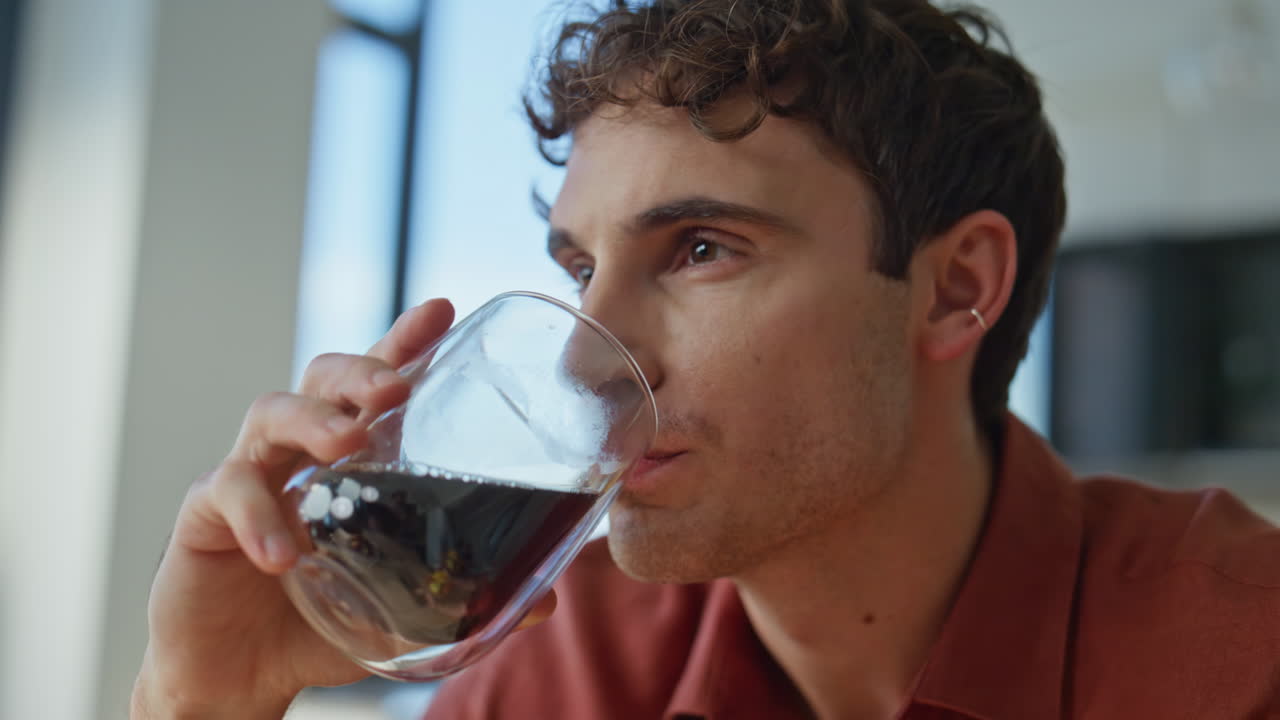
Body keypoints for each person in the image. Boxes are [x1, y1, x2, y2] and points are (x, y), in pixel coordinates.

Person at [131, 1, 1280, 718]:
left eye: (698, 249)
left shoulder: (1238, 657)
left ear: (954, 288)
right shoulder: (567, 664)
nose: (584, 371)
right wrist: (202, 701)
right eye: (581, 272)